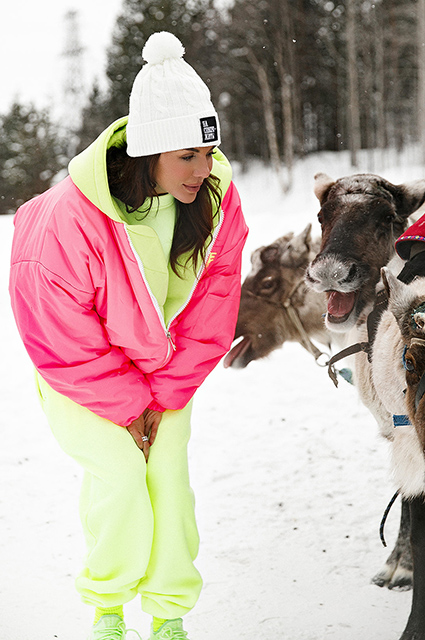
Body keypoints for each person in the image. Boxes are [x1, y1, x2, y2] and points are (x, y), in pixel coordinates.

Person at [9, 31, 248, 640]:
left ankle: (169, 617)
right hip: (78, 375)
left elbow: (212, 308)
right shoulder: (65, 217)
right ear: (149, 151)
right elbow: (57, 334)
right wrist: (129, 405)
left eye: (209, 150)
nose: (205, 168)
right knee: (119, 474)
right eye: (188, 155)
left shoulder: (216, 201)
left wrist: (162, 395)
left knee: (168, 477)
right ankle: (108, 609)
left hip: (163, 370)